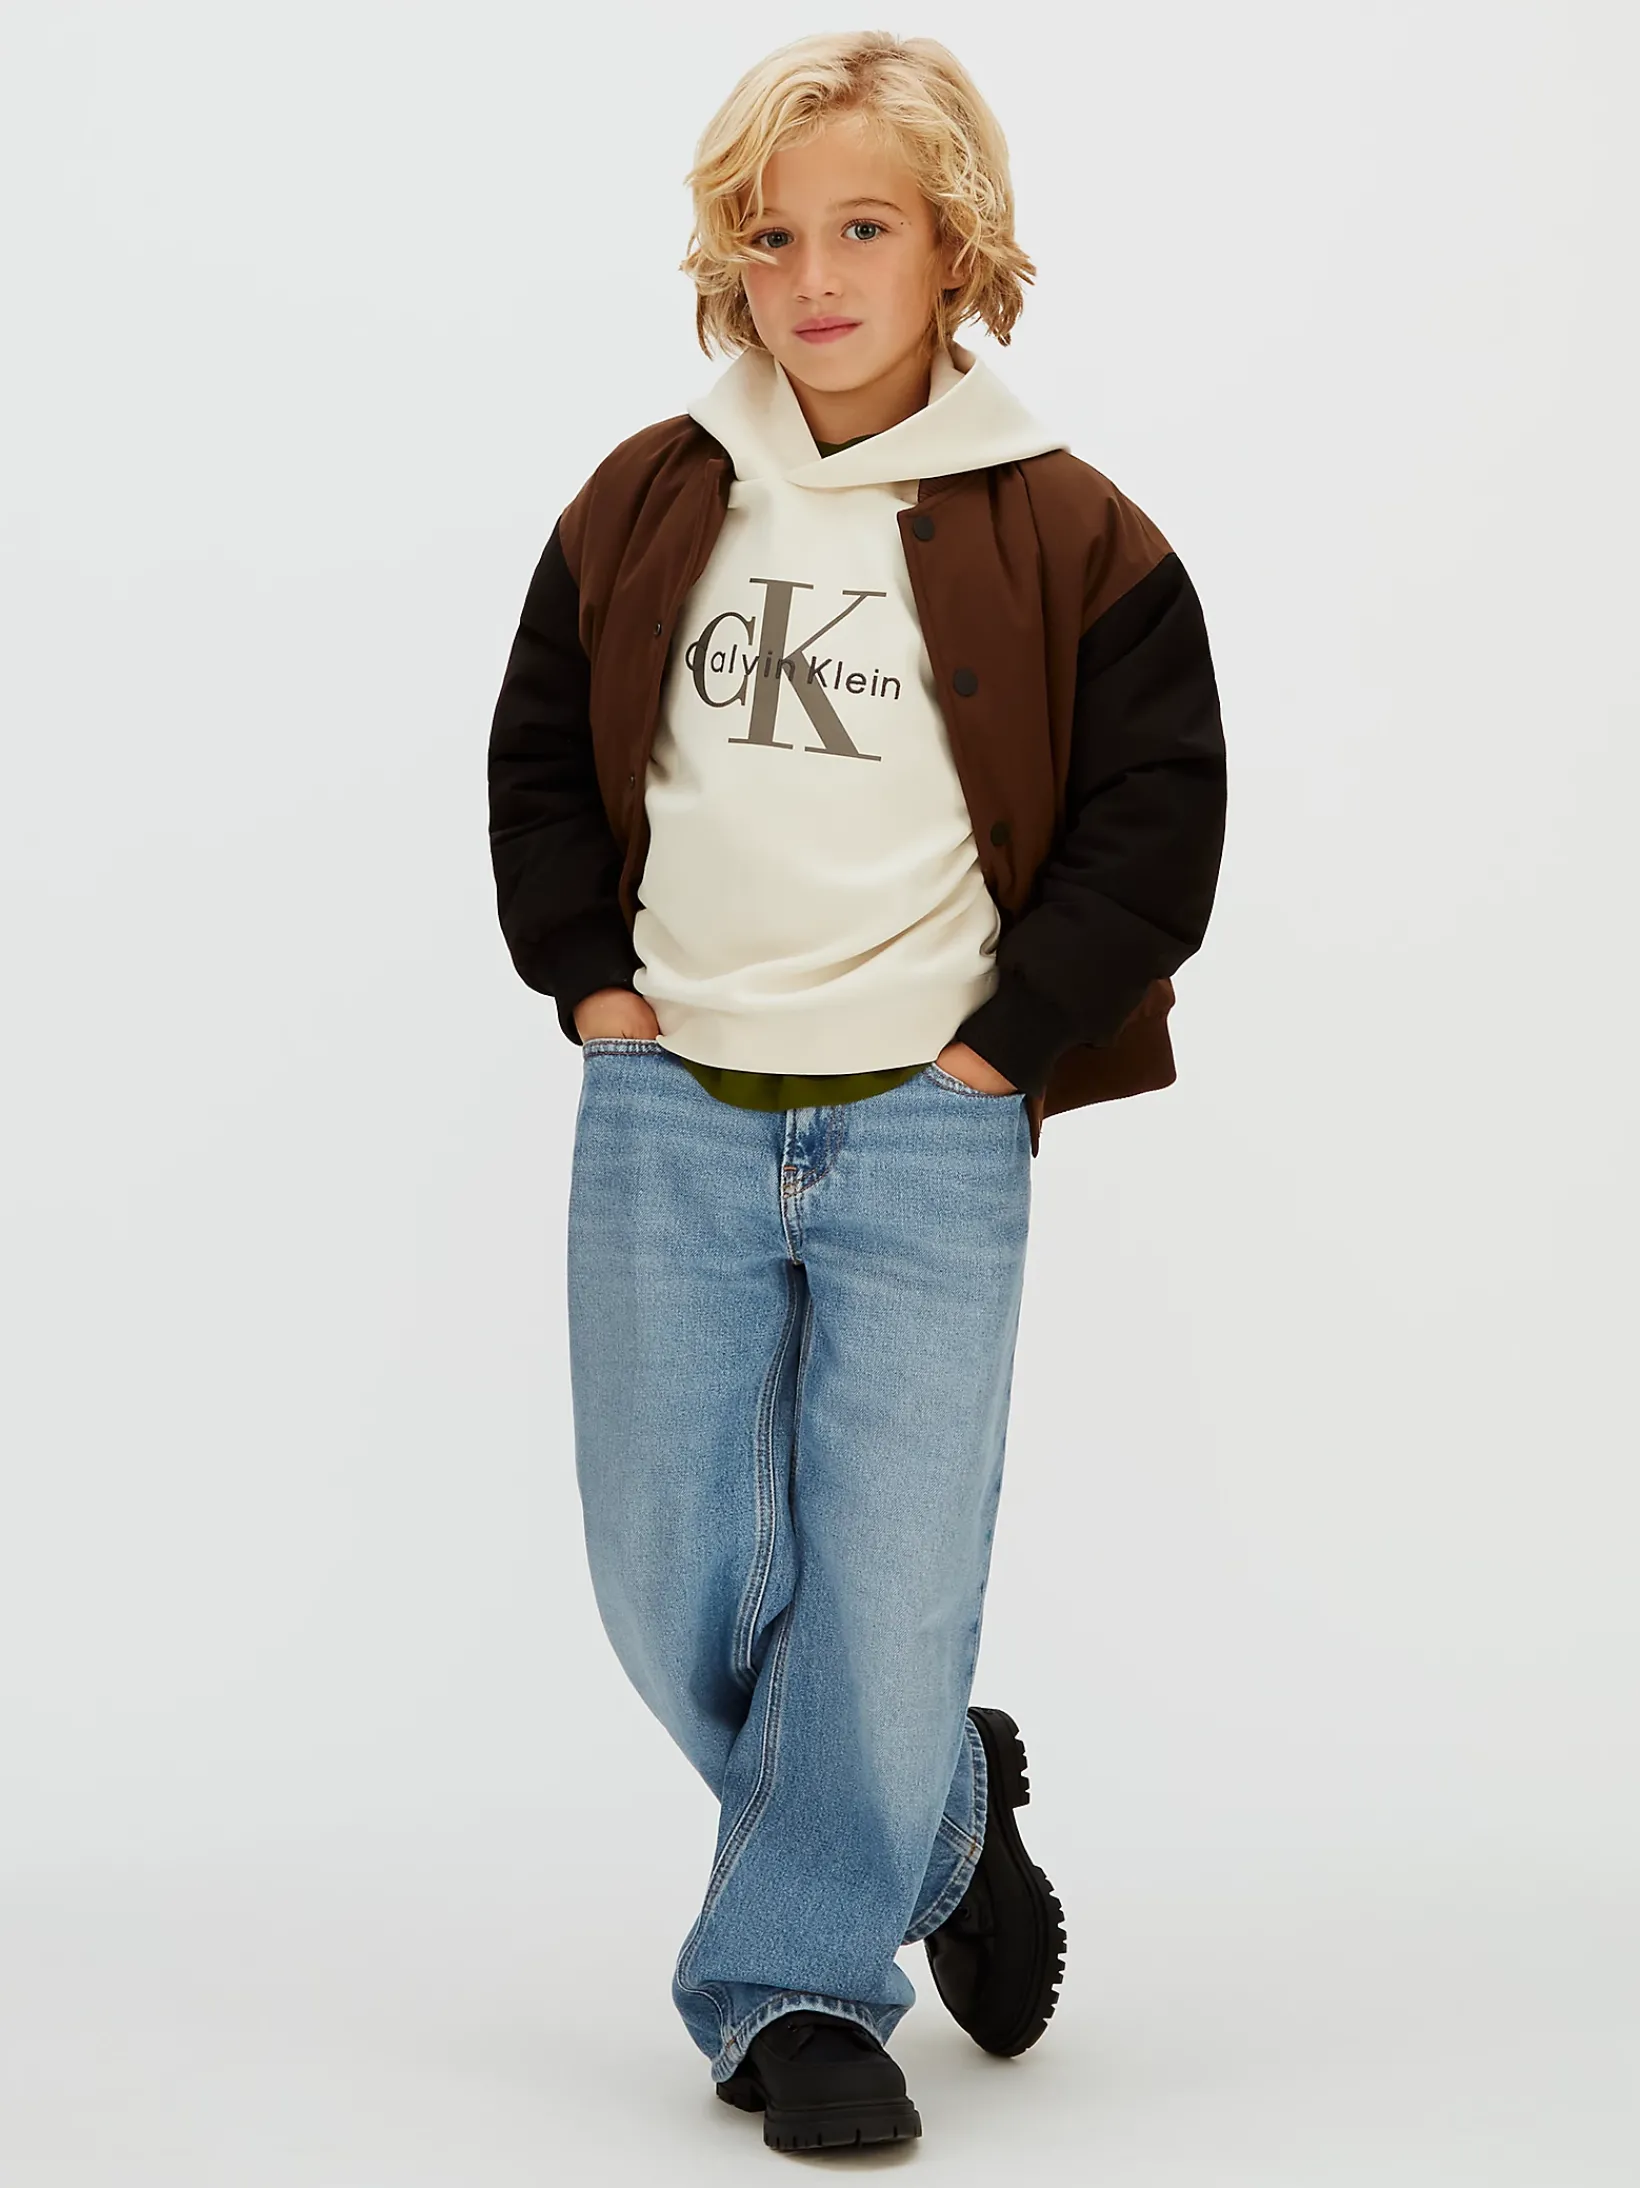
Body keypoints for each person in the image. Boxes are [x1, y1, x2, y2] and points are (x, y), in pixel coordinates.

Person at [487, 29, 1226, 2153]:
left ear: (952, 250)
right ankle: (939, 1806)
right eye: (773, 235)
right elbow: (542, 755)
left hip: (926, 1117)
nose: (814, 277)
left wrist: (1001, 1049)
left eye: (865, 229)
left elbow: (1158, 814)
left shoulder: (1066, 522)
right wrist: (594, 990)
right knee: (664, 1566)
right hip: (671, 1103)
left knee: (885, 1577)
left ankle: (797, 1985)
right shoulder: (647, 496)